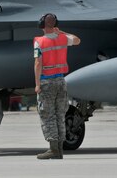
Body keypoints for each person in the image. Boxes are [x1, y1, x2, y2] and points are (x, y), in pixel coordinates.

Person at [34, 13, 81, 159]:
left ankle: (53, 150)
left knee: (48, 116)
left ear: (42, 25)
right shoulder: (63, 39)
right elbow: (77, 40)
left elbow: (37, 63)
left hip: (46, 83)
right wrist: (61, 32)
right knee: (60, 115)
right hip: (61, 81)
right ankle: (59, 150)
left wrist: (37, 85)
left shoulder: (39, 42)